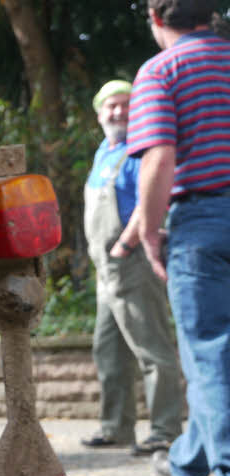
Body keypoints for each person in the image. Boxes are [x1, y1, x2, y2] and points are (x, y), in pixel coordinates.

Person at [121, 0, 230, 476]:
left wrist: (147, 229)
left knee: (209, 356)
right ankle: (189, 463)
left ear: (156, 19)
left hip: (203, 223)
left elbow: (160, 157)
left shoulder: (161, 71)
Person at [80, 79, 182, 455]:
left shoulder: (140, 152)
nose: (119, 112)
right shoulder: (101, 153)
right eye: (111, 106)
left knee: (151, 348)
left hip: (132, 261)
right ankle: (116, 427)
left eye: (126, 105)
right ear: (99, 112)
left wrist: (126, 244)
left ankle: (165, 429)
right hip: (105, 270)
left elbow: (152, 199)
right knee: (108, 350)